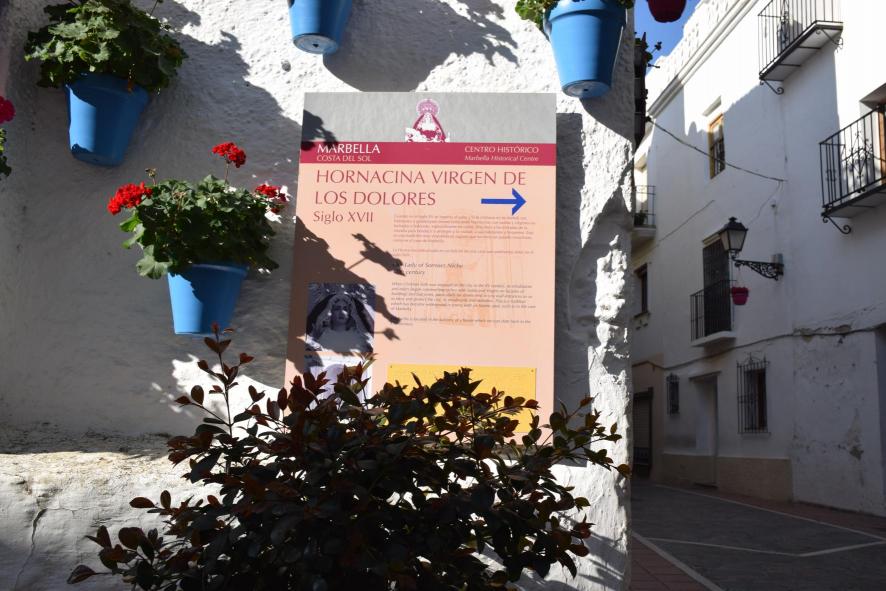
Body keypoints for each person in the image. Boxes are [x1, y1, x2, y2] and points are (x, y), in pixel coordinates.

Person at [306, 291, 373, 353]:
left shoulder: (360, 336)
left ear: (351, 312)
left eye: (345, 309)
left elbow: (371, 341)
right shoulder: (319, 334)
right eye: (337, 308)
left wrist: (355, 315)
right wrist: (327, 308)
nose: (342, 312)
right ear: (331, 311)